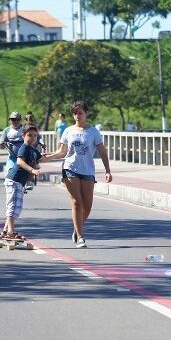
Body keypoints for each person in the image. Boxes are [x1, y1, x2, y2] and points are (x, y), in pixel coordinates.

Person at [50, 101, 112, 248]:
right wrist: (48, 157)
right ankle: (81, 237)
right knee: (77, 203)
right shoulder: (68, 131)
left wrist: (108, 170)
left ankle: (77, 228)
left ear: (86, 114)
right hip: (70, 169)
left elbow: (102, 151)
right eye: (75, 113)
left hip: (88, 171)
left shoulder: (93, 132)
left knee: (87, 206)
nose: (77, 116)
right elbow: (62, 151)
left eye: (80, 113)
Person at [0, 124, 61, 240]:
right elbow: (20, 162)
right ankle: (11, 232)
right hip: (14, 180)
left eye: (35, 135)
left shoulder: (33, 149)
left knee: (16, 206)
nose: (33, 138)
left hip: (19, 182)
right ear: (23, 135)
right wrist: (32, 170)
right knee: (13, 206)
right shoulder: (24, 147)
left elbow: (43, 158)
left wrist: (59, 153)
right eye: (29, 135)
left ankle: (6, 230)